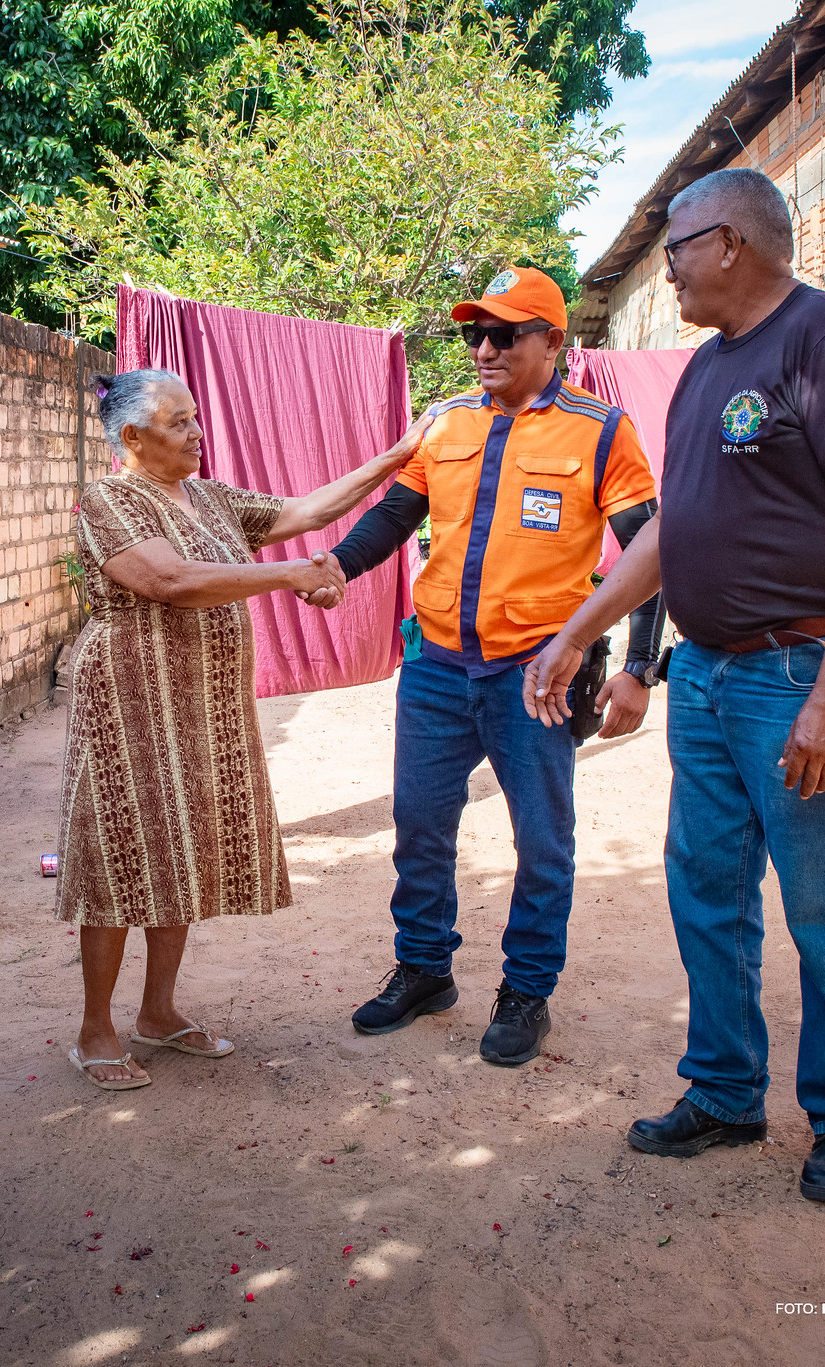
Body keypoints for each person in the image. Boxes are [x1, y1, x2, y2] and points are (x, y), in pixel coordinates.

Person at [524, 167, 825, 1205]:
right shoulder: (701, 374)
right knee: (703, 888)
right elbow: (669, 536)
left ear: (731, 242)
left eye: (677, 244)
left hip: (799, 668)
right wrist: (581, 635)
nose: (669, 264)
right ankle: (726, 1090)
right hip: (704, 673)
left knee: (822, 906)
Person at [320, 266, 661, 1067]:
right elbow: (395, 517)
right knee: (420, 823)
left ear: (553, 342)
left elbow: (648, 550)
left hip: (535, 675)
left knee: (542, 839)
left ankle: (526, 991)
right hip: (437, 664)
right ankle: (424, 967)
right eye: (476, 333)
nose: (484, 348)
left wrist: (639, 665)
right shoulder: (446, 425)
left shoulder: (601, 431)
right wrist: (336, 564)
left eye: (505, 334)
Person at [59, 369, 426, 1089]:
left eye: (197, 417)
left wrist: (397, 455)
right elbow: (170, 581)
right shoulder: (110, 500)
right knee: (121, 857)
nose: (198, 432)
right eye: (180, 423)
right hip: (131, 704)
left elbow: (301, 510)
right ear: (132, 437)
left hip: (201, 703)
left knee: (183, 852)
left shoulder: (206, 496)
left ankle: (158, 1013)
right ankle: (95, 1029)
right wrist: (291, 577)